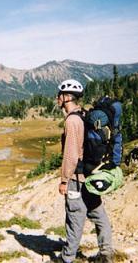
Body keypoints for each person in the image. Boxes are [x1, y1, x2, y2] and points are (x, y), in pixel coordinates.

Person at [57, 79, 113, 263]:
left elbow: (71, 154)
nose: (57, 98)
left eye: (59, 95)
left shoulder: (72, 121)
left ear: (66, 97)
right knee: (98, 213)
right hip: (91, 174)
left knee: (74, 217)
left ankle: (67, 258)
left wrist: (65, 180)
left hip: (76, 178)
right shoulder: (83, 115)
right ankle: (106, 253)